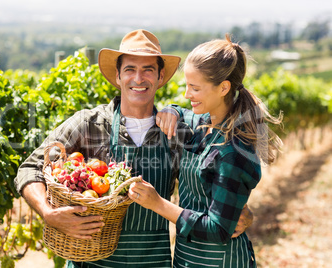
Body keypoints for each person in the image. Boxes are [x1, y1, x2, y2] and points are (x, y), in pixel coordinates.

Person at [14, 29, 252, 268]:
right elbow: (30, 168)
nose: (138, 79)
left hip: (153, 262)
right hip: (91, 261)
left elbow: (220, 176)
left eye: (148, 69)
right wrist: (48, 212)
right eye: (130, 69)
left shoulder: (180, 130)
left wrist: (242, 213)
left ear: (160, 77)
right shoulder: (89, 124)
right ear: (118, 76)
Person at [128, 34, 283, 267]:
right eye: (187, 86)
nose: (187, 94)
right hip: (187, 257)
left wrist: (157, 204)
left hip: (219, 261)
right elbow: (180, 111)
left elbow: (219, 229)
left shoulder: (234, 151)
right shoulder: (201, 123)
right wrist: (171, 110)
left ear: (223, 88)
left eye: (195, 88)